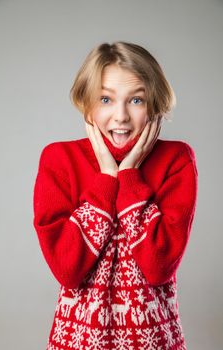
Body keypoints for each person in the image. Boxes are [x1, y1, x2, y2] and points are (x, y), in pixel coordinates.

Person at [33, 41, 198, 350]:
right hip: (79, 341)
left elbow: (159, 267)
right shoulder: (59, 159)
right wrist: (107, 178)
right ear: (86, 103)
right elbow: (68, 271)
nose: (121, 116)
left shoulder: (177, 160)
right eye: (106, 98)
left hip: (154, 341)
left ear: (155, 105)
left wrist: (130, 174)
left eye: (136, 100)